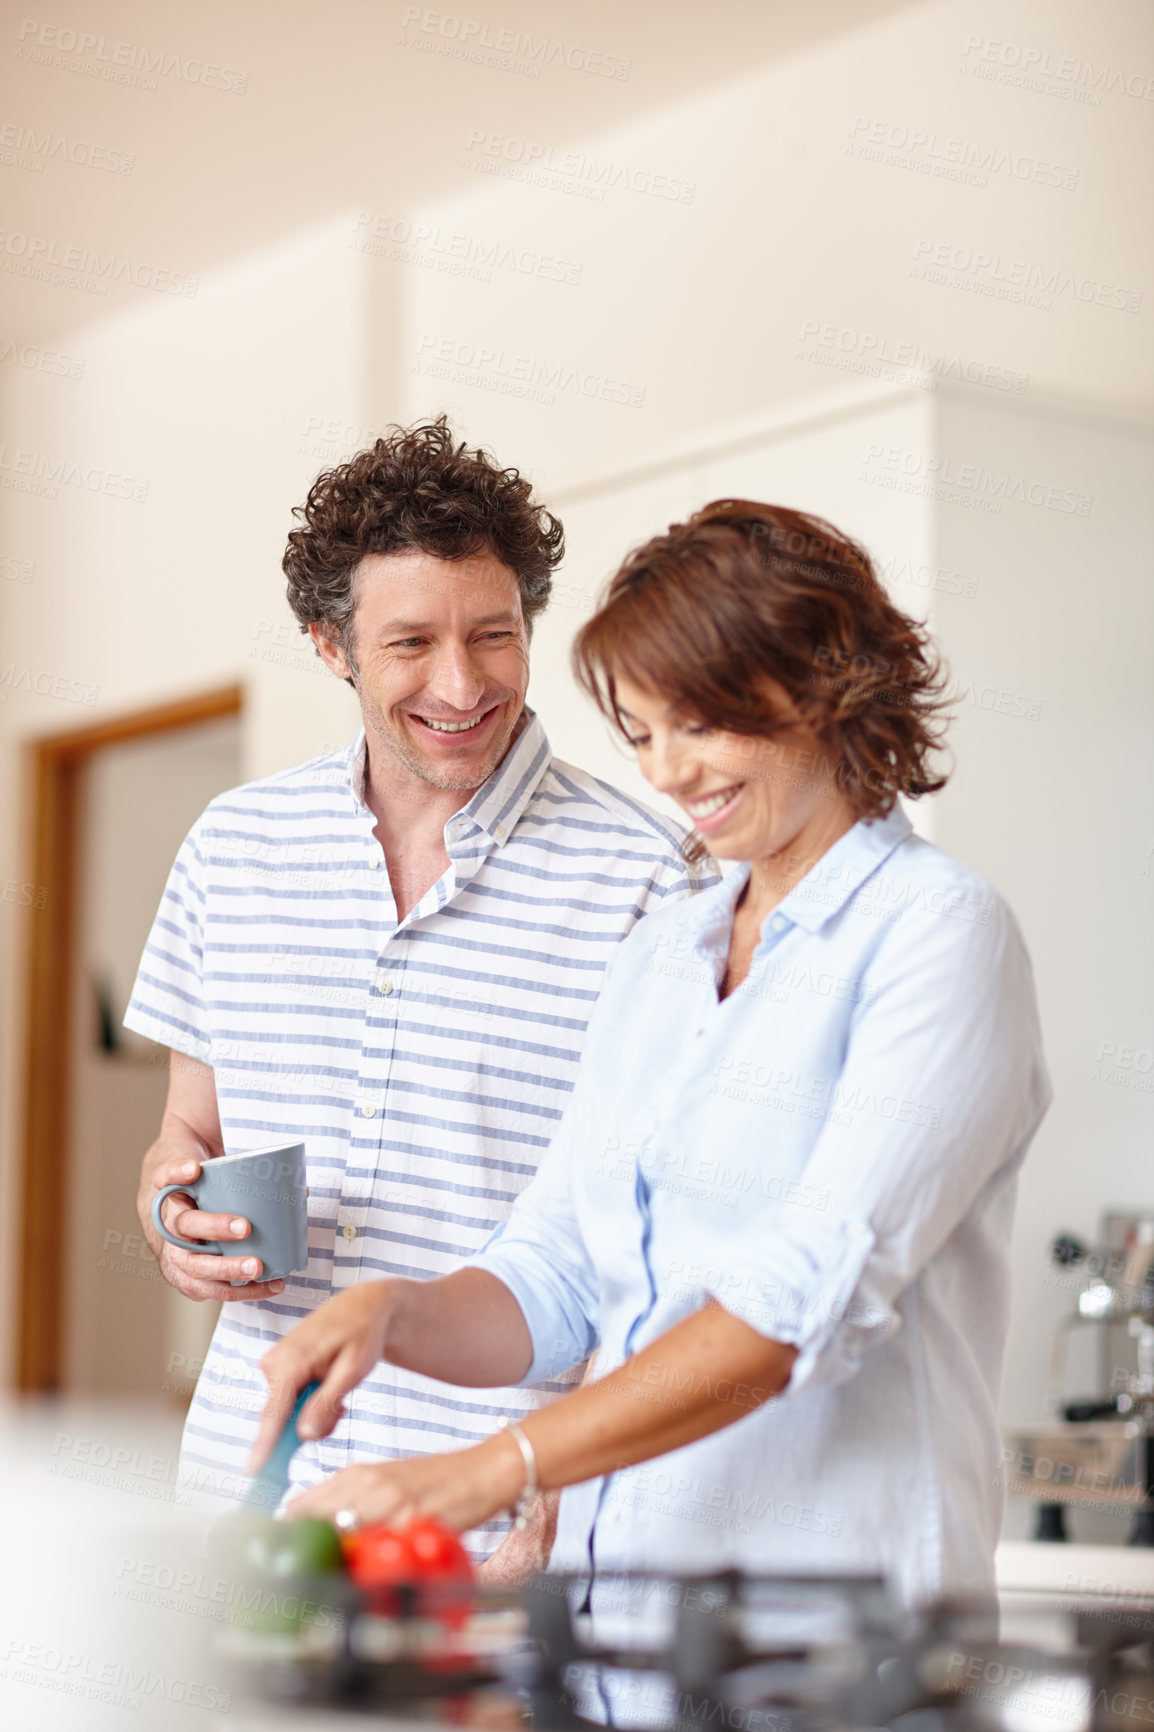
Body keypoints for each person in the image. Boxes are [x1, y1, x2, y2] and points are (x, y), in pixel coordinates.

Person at [250, 499, 1051, 1607]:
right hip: (621, 1641)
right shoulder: (664, 954)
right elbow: (558, 1270)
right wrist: (395, 1313)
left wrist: (493, 1468)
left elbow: (792, 1302)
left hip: (830, 1650)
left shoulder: (935, 933)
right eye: (638, 733)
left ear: (825, 685)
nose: (668, 771)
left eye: (701, 721)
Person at [127, 418, 714, 1582]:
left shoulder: (653, 875)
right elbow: (187, 1133)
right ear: (327, 643)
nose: (461, 684)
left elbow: (669, 1245)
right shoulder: (235, 846)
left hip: (496, 1523)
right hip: (252, 1501)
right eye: (410, 643)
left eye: (493, 635)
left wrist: (553, 1516)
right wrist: (171, 1219)